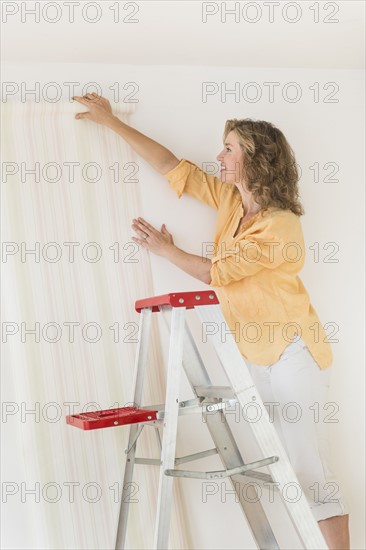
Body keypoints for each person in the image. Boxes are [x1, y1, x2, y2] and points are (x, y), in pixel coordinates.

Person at [72, 92, 350, 549]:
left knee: (308, 470)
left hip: (292, 352)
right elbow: (171, 167)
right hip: (253, 356)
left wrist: (167, 251)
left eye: (228, 148)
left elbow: (216, 274)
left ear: (255, 158)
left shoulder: (281, 225)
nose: (218, 156)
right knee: (280, 467)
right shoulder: (229, 203)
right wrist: (111, 123)